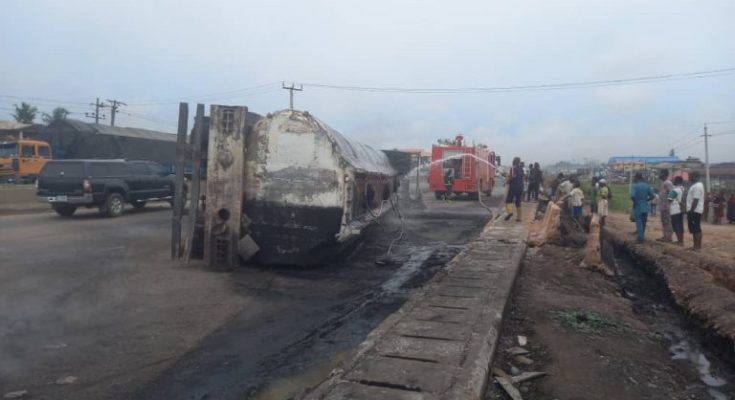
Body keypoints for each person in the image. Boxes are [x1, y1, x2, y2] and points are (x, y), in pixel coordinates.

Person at [631, 172, 655, 243]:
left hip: (638, 205)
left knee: (639, 222)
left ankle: (640, 239)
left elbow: (633, 196)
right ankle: (642, 236)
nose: (634, 179)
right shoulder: (647, 186)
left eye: (634, 177)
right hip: (645, 206)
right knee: (644, 222)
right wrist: (646, 200)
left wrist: (635, 203)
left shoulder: (635, 186)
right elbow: (652, 196)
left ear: (637, 178)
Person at [685, 171, 704, 252]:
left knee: (696, 228)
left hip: (695, 210)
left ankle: (697, 247)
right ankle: (695, 246)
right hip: (694, 210)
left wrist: (691, 211)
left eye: (690, 175)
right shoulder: (696, 185)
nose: (689, 177)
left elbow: (695, 200)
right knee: (694, 228)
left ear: (695, 176)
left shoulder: (697, 186)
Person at [504, 157, 524, 221]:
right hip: (520, 187)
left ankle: (510, 212)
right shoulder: (521, 169)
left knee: (508, 201)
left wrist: (507, 181)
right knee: (518, 202)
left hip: (513, 187)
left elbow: (513, 177)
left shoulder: (513, 168)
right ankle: (519, 217)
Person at [656, 169, 674, 243]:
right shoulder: (663, 183)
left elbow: (672, 194)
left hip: (666, 206)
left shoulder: (668, 183)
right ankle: (665, 236)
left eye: (661, 173)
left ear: (665, 174)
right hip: (663, 206)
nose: (659, 175)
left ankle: (668, 237)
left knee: (667, 222)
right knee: (664, 221)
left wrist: (668, 203)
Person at [668, 176, 685, 246]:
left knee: (676, 226)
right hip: (680, 209)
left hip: (675, 210)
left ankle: (679, 242)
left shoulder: (675, 190)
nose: (673, 182)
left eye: (674, 180)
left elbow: (669, 199)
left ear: (677, 181)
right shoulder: (682, 188)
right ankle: (681, 241)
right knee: (680, 226)